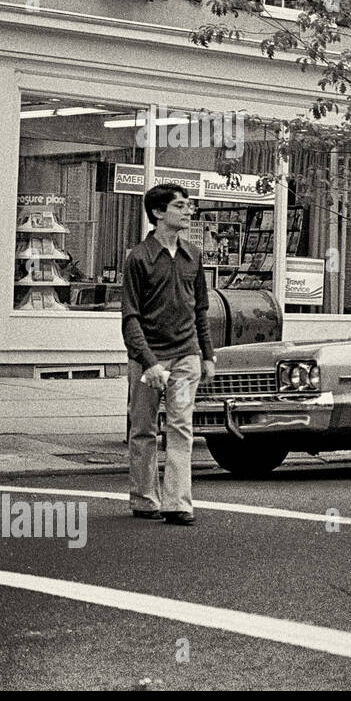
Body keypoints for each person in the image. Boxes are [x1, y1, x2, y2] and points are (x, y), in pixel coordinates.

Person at [121, 184, 215, 526]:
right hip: (148, 357)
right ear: (159, 213)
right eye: (180, 205)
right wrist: (149, 363)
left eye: (188, 205)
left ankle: (178, 503)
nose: (188, 211)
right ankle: (145, 498)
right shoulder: (139, 258)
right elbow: (130, 317)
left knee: (180, 427)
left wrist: (207, 354)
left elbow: (200, 309)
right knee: (144, 428)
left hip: (186, 353)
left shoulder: (193, 255)